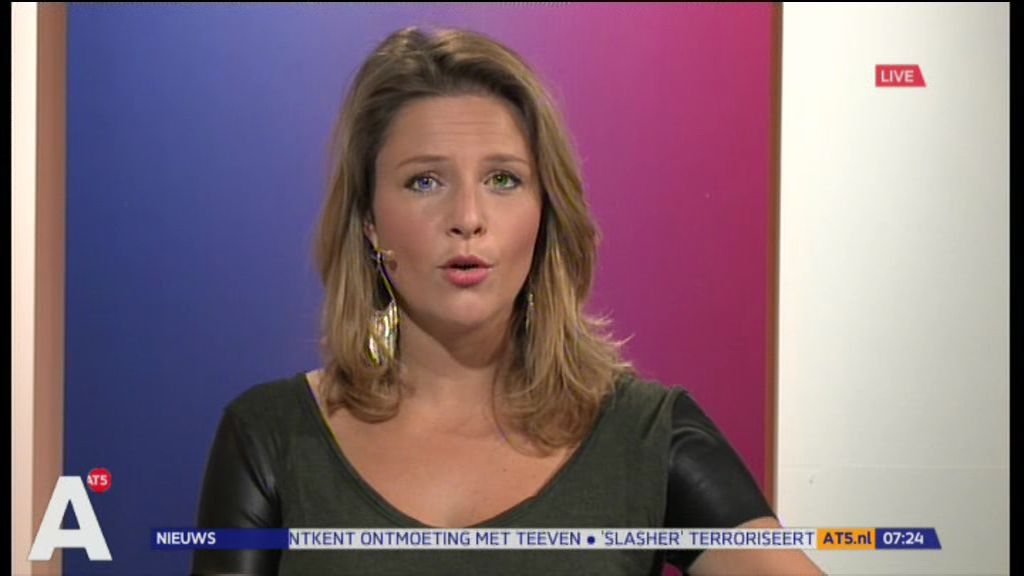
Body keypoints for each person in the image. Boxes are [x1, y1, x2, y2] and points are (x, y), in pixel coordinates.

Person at [192, 26, 824, 576]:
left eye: (503, 179)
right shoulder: (271, 435)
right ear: (370, 223)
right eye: (424, 181)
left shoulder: (648, 434)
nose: (468, 217)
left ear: (545, 213)